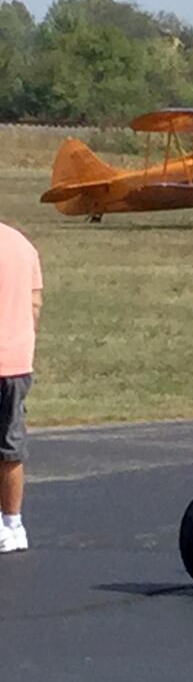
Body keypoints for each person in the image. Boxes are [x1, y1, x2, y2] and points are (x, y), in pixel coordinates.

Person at [0, 222, 41, 554]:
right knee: (10, 447)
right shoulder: (22, 245)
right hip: (16, 360)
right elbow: (35, 305)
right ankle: (13, 523)